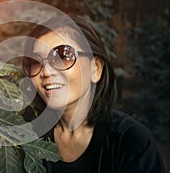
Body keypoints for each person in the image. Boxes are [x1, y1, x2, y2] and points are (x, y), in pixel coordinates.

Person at [22, 15, 165, 172]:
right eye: (36, 62)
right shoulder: (24, 133)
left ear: (95, 68)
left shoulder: (133, 143)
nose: (46, 72)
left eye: (63, 56)